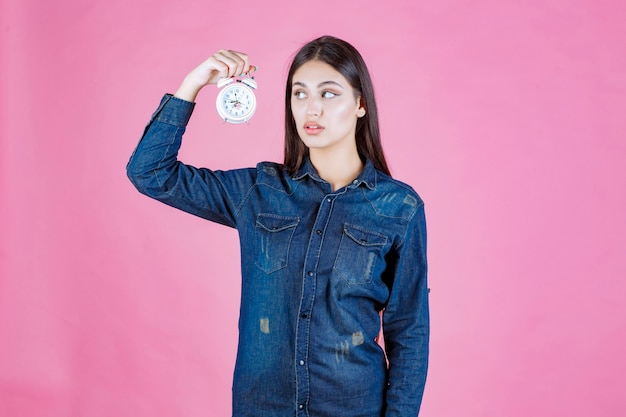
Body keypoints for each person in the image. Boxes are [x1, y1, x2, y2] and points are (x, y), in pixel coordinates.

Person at [127, 35, 429, 417]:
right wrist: (194, 83)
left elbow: (410, 333)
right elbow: (150, 173)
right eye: (299, 94)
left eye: (329, 93)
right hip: (262, 406)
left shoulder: (398, 207)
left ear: (360, 104)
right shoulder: (259, 191)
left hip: (353, 406)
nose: (311, 109)